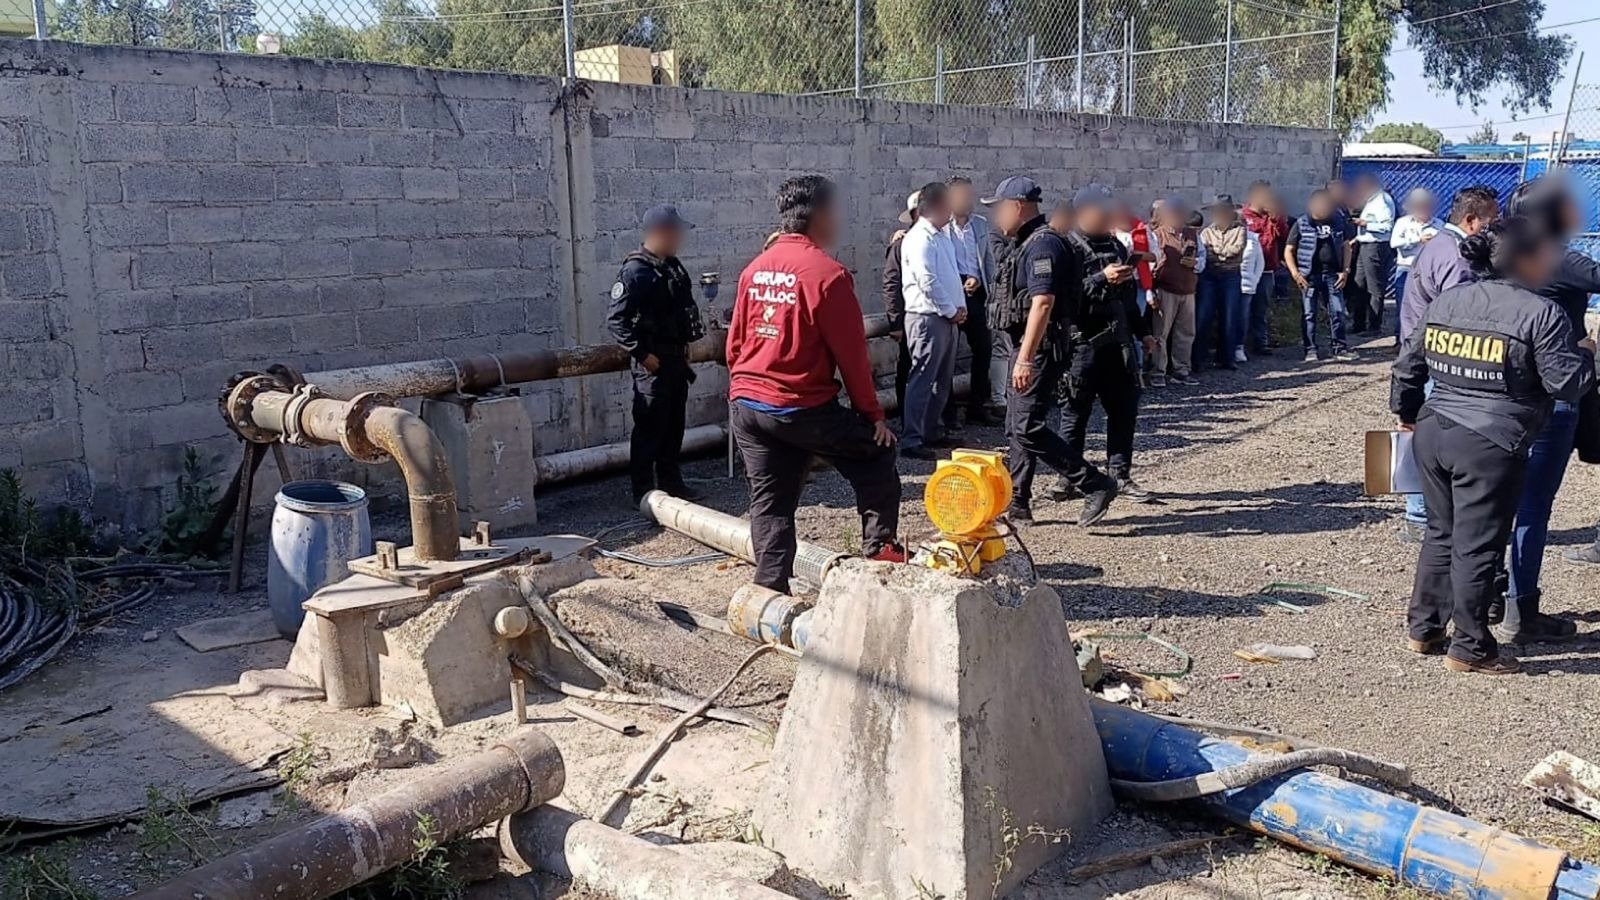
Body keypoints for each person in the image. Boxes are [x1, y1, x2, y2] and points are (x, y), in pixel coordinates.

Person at [1391, 216, 1595, 674]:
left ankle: (1424, 629)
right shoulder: (1540, 313)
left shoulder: (1449, 299)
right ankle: (1471, 647)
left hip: (1434, 429)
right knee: (1479, 546)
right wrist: (1586, 352)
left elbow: (1408, 361)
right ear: (1526, 260)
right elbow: (1567, 385)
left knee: (1440, 533)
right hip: (1490, 442)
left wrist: (1405, 411)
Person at [727, 175, 907, 593]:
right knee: (878, 457)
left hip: (749, 405)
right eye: (837, 211)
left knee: (771, 504)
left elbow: (735, 345)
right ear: (822, 215)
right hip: (798, 405)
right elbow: (853, 358)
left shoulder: (754, 269)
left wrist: (745, 392)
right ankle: (880, 564)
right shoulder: (828, 275)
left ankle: (769, 595)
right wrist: (872, 417)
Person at [983, 175, 1119, 525]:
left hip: (1039, 349)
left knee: (1027, 426)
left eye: (999, 209)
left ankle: (1096, 484)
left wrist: (1025, 358)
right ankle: (1018, 502)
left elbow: (1043, 303)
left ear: (1017, 206)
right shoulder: (1027, 241)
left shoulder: (1043, 245)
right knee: (1016, 426)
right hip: (1027, 347)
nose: (997, 217)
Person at [1499, 176, 1600, 641]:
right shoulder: (1554, 258)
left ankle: (1490, 597)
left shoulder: (1500, 250)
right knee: (1532, 507)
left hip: (1503, 388)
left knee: (1498, 503)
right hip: (1554, 392)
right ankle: (1523, 612)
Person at [1393, 185, 1501, 542]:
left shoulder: (1438, 243)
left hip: (1421, 354)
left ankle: (1420, 514)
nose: (1495, 228)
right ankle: (1422, 516)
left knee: (1426, 435)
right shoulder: (1457, 257)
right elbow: (1459, 317)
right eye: (1491, 222)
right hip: (1436, 362)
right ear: (1471, 221)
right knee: (1433, 439)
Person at [1064, 185, 1158, 502]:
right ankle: (1071, 478)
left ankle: (1120, 475)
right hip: (1082, 345)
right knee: (1075, 412)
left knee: (1123, 411)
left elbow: (1128, 300)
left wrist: (1143, 332)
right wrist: (1101, 278)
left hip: (1118, 344)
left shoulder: (1117, 247)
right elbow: (1066, 298)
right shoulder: (1068, 248)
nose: (1107, 217)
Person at [607, 204, 706, 505]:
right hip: (652, 365)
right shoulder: (635, 271)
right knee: (650, 429)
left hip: (675, 360)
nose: (678, 238)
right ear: (659, 232)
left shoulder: (673, 266)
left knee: (673, 426)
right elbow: (616, 321)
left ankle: (672, 485)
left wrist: (686, 346)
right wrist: (642, 354)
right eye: (674, 232)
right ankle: (644, 492)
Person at [899, 182, 966, 460]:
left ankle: (931, 430)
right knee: (923, 378)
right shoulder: (919, 239)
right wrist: (951, 310)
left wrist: (957, 309)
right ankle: (913, 439)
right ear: (938, 206)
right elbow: (927, 281)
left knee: (941, 380)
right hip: (928, 318)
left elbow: (948, 275)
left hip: (946, 317)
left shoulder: (941, 236)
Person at [943, 176, 1003, 427]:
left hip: (976, 295)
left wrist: (984, 285)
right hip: (951, 296)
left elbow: (988, 260)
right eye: (961, 196)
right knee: (948, 354)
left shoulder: (979, 225)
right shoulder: (941, 228)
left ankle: (977, 406)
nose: (967, 200)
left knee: (983, 350)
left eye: (969, 195)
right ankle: (948, 412)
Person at [1284, 189, 1358, 363]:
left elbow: (1347, 246)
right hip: (1308, 277)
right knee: (1309, 314)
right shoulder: (1302, 223)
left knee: (1338, 312)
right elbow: (1289, 250)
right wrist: (1295, 273)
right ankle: (1310, 349)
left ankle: (1339, 348)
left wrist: (1346, 271)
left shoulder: (1338, 222)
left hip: (1333, 275)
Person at [1149, 195, 1203, 387]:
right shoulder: (1157, 234)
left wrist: (1195, 263)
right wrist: (1151, 290)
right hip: (1166, 288)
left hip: (1188, 289)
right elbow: (1150, 264)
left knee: (1186, 332)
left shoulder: (1192, 234)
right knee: (1161, 332)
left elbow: (1203, 258)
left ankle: (1181, 370)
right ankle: (1158, 371)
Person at [1197, 195, 1245, 372]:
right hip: (1209, 276)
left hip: (1230, 275)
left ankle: (1227, 358)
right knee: (1204, 316)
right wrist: (1220, 254)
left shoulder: (1239, 229)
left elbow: (1236, 249)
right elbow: (1204, 251)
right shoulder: (1206, 232)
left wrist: (1216, 253)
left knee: (1230, 316)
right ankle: (1199, 358)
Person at [1390, 187, 1443, 342]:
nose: (1422, 208)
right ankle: (1401, 341)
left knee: (1428, 306)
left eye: (1425, 205)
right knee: (1403, 306)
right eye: (1419, 205)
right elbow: (1394, 243)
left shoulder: (1438, 225)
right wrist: (1418, 240)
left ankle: (1423, 340)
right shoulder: (1403, 223)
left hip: (1429, 271)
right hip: (1406, 268)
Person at [884, 191, 919, 423]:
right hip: (910, 316)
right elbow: (891, 282)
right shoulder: (901, 245)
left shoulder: (941, 240)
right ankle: (907, 417)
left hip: (935, 317)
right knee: (907, 368)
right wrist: (895, 321)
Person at [1240, 181, 1286, 356]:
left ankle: (1260, 343)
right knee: (1243, 310)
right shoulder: (1243, 217)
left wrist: (1276, 218)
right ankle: (1239, 345)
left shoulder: (1272, 217)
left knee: (1261, 308)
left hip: (1267, 270)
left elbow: (1283, 236)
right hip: (1247, 271)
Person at [1351, 173, 1398, 335]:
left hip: (1376, 246)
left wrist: (1366, 223)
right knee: (1360, 283)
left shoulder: (1383, 201)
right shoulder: (1372, 201)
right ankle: (1359, 324)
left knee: (1374, 287)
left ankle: (1374, 326)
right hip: (1365, 244)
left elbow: (1386, 227)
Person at [1237, 225, 1265, 363]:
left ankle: (1239, 346)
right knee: (1226, 317)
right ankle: (1224, 348)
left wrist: (1254, 281)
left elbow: (1260, 263)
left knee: (1242, 316)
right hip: (1225, 283)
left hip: (1247, 285)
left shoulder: (1253, 238)